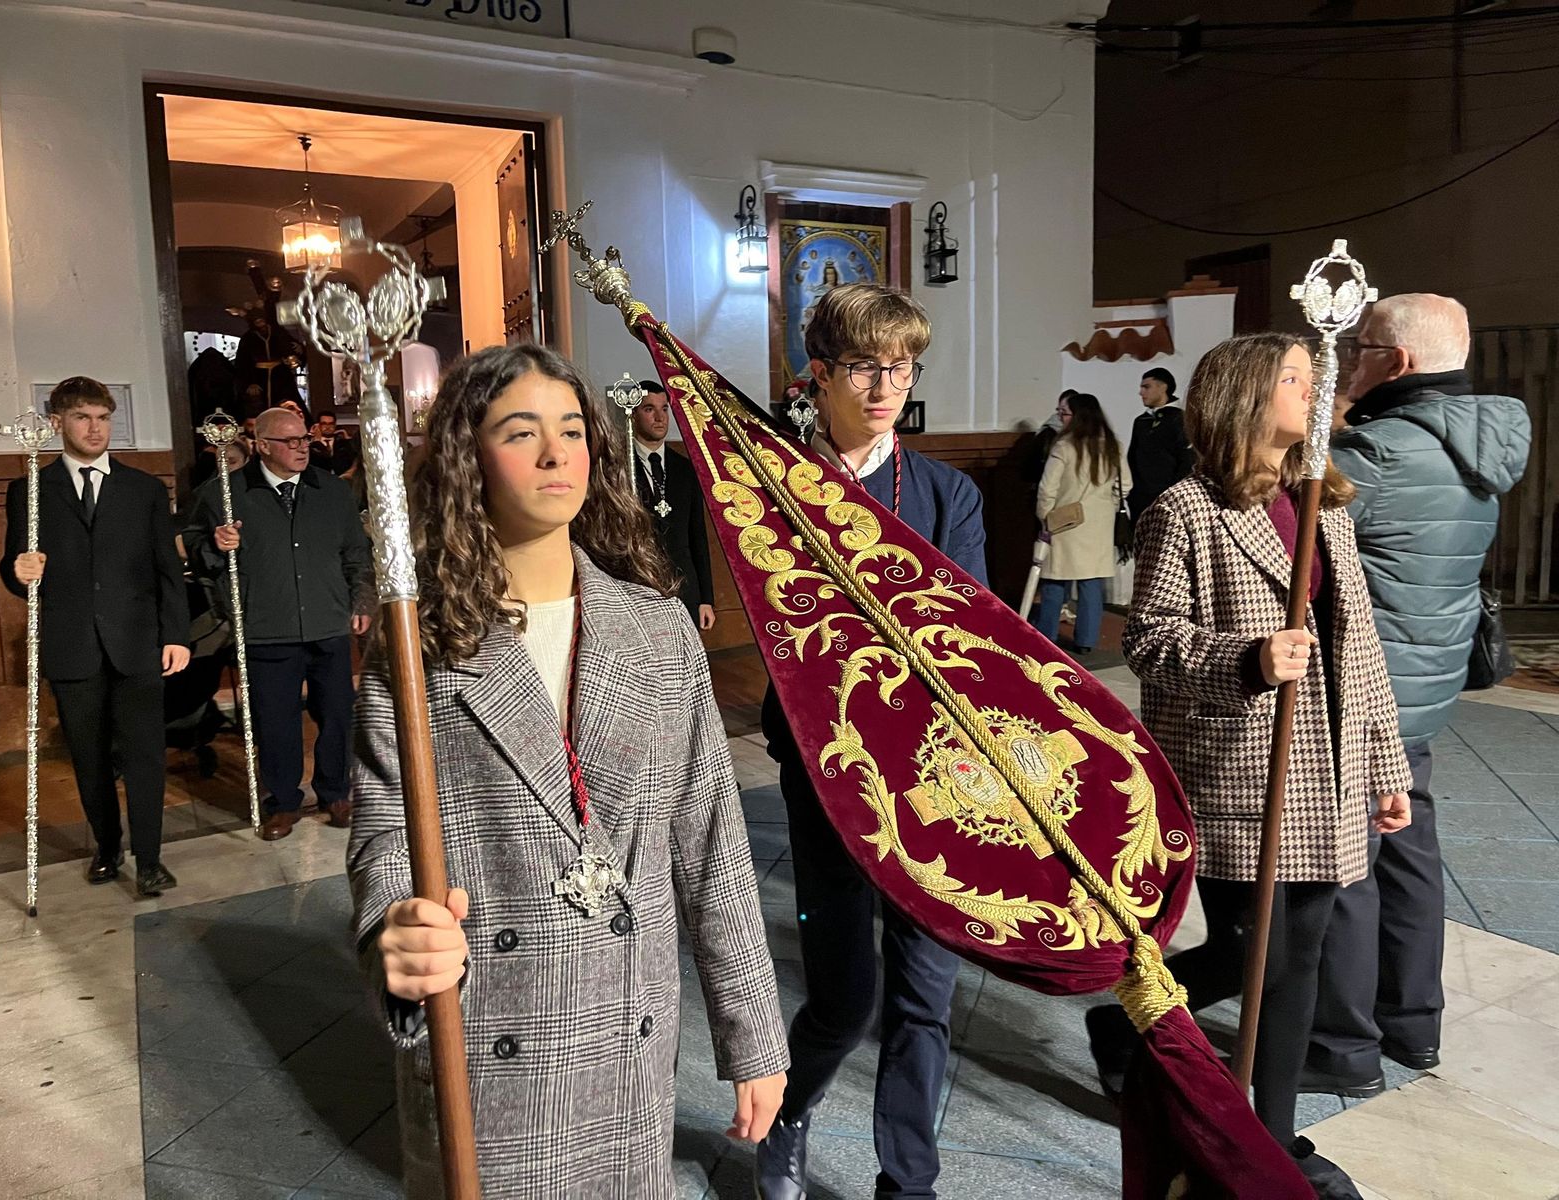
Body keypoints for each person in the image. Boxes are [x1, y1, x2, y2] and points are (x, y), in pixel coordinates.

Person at [346, 344, 787, 1198]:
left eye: (573, 430)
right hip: (488, 1030)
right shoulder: (419, 649)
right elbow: (385, 832)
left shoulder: (657, 632)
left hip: (628, 1029)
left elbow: (712, 850)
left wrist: (754, 1039)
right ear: (468, 459)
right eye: (521, 432)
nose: (556, 455)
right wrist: (391, 929)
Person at [1087, 332, 1415, 1199]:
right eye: (1295, 379)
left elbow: (1362, 648)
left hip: (1329, 760)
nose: (1314, 391)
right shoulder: (1187, 510)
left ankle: (1271, 1134)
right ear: (1242, 395)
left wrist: (1386, 766)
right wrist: (1245, 658)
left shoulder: (1324, 503)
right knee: (1250, 952)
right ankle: (1141, 1034)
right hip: (1242, 767)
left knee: (1299, 952)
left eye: (1316, 379)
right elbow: (1151, 641)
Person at [756, 283, 986, 1200]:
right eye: (864, 366)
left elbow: (968, 637)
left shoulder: (945, 492)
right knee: (845, 1000)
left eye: (902, 366)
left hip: (930, 778)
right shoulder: (770, 484)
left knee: (924, 997)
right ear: (818, 374)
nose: (887, 385)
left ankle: (908, 1183)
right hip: (822, 778)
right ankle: (787, 1117)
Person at [1305, 295, 1530, 1094]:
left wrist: (1325, 417)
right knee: (1409, 853)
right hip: (1428, 682)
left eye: (1357, 347)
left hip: (1367, 690)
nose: (1345, 360)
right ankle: (1412, 1026)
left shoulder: (1381, 452)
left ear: (1394, 362)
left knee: (1345, 867)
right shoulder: (1481, 440)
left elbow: (1283, 523)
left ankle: (1342, 1048)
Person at [0, 376, 190, 896]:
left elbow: (166, 571)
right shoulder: (30, 491)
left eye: (103, 418)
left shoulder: (145, 489)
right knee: (88, 756)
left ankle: (150, 859)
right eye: (83, 418)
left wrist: (176, 634)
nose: (95, 428)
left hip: (137, 644)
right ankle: (107, 848)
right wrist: (21, 572)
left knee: (146, 755)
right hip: (71, 644)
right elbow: (15, 572)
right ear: (58, 422)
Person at [184, 407, 373, 840]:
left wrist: (360, 599)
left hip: (328, 620)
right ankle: (283, 801)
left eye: (305, 439)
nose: (302, 447)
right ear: (262, 445)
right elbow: (196, 550)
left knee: (338, 713)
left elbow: (356, 553)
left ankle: (335, 792)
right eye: (290, 441)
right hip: (267, 625)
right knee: (276, 719)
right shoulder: (225, 494)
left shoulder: (331, 492)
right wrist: (216, 543)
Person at [1031, 391, 1131, 656]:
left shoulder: (1064, 446)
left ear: (1077, 416)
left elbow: (1047, 489)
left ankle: (1047, 637)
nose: (1060, 418)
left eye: (1064, 413)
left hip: (1065, 521)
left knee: (1054, 581)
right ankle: (1086, 641)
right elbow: (1126, 485)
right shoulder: (1113, 444)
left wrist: (1045, 517)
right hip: (1099, 524)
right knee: (1090, 584)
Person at [631, 380, 716, 630]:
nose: (660, 417)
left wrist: (705, 599)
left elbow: (697, 535)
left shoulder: (685, 468)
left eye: (664, 409)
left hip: (684, 588)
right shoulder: (620, 467)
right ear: (633, 414)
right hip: (640, 586)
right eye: (649, 409)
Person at [1127, 366, 1194, 523]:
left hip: (1168, 499)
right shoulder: (1141, 422)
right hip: (1140, 500)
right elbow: (1133, 458)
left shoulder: (1180, 419)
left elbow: (1187, 460)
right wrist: (1133, 494)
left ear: (1163, 387)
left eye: (1146, 387)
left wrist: (1171, 494)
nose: (1141, 392)